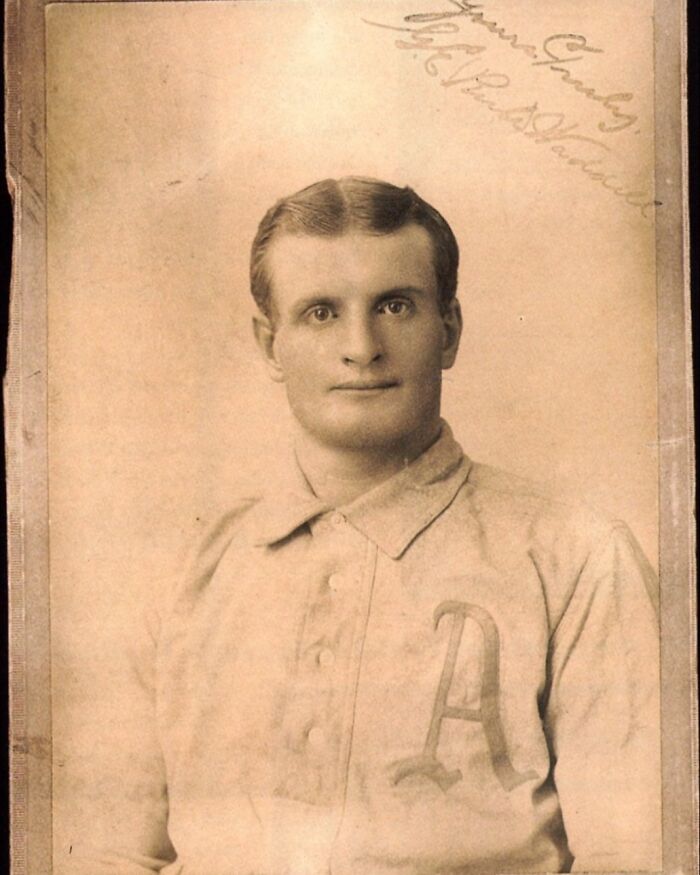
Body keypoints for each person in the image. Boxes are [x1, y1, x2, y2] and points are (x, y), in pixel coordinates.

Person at [66, 177, 661, 874]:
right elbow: (109, 854)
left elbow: (635, 857)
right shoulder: (179, 572)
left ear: (449, 330)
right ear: (269, 344)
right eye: (321, 312)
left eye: (395, 306)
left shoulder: (579, 557)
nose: (361, 346)